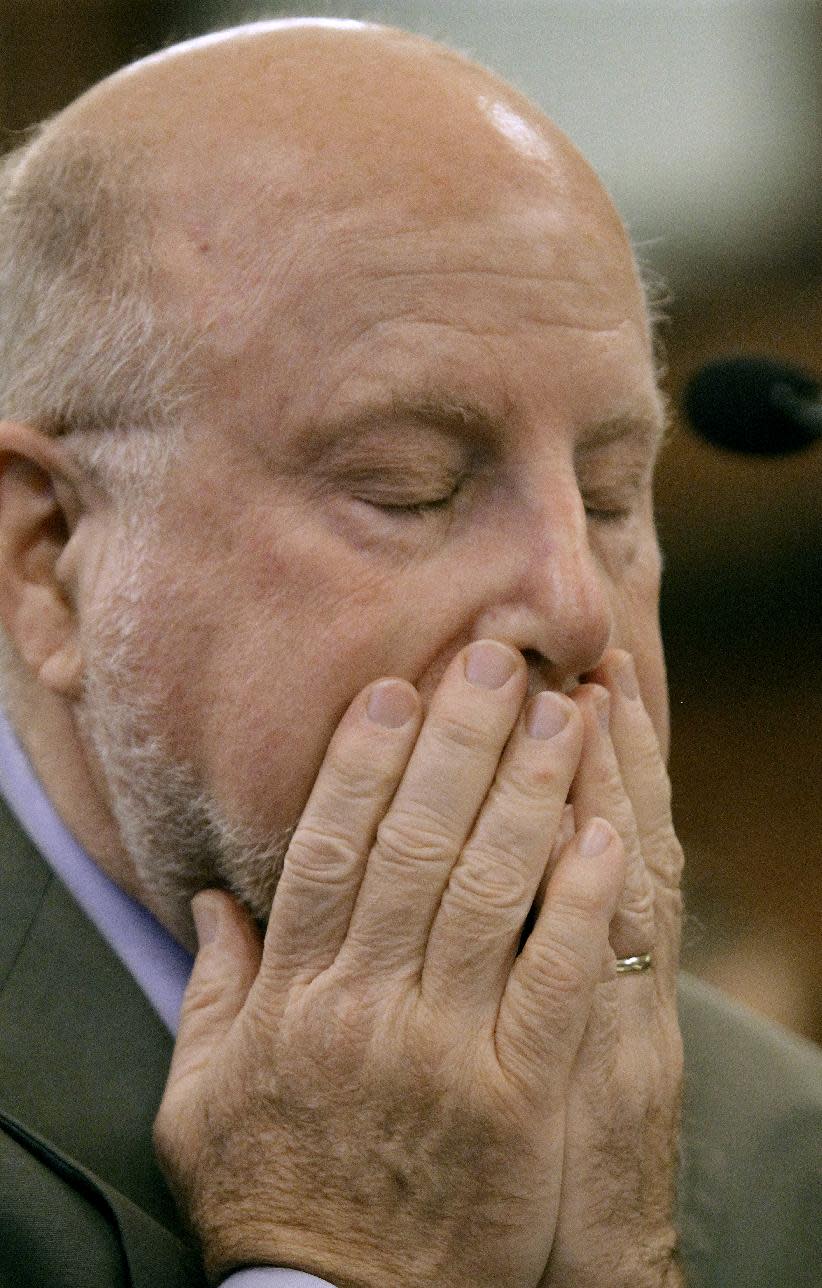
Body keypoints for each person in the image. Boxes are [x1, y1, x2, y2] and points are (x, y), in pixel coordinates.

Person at [0, 18, 818, 1288]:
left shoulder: (789, 1150)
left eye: (612, 498)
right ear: (49, 556)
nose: (576, 603)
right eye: (411, 487)